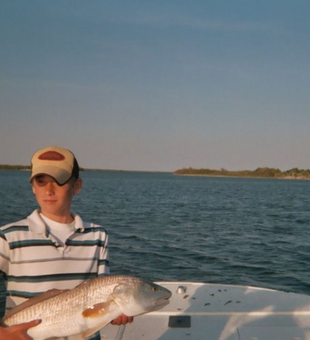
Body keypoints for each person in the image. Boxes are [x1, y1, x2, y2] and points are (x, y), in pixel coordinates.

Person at [0, 146, 133, 340]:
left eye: (58, 180)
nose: (49, 189)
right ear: (33, 187)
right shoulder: (9, 236)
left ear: (77, 186)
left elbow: (104, 295)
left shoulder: (97, 235)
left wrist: (117, 311)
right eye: (41, 180)